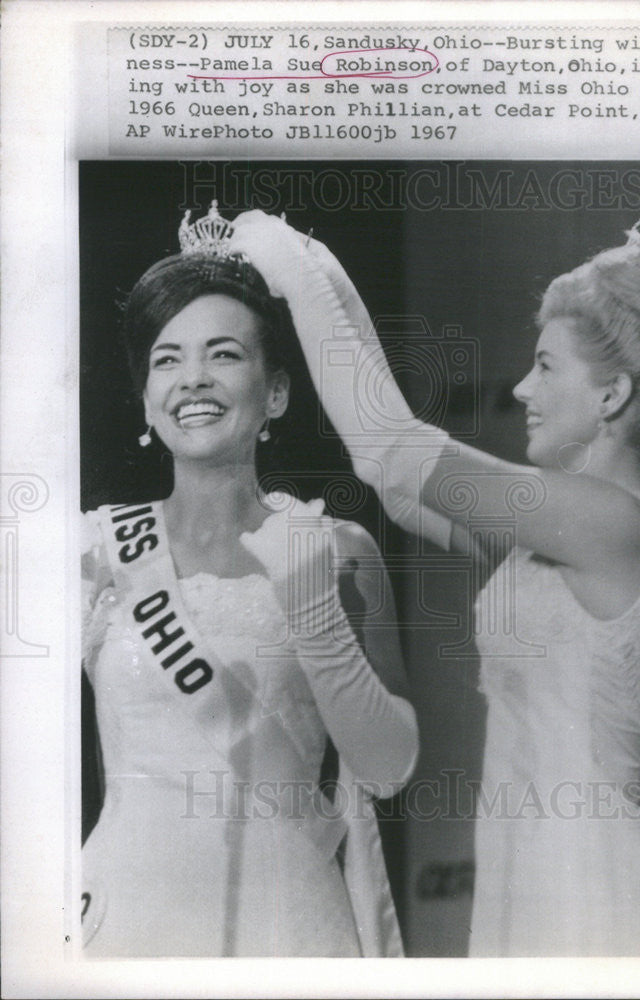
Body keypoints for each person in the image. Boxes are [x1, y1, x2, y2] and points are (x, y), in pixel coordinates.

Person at [229, 212, 640, 956]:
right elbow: (401, 490)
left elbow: (390, 451)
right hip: (535, 865)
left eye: (546, 366)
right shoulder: (573, 530)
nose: (521, 387)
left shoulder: (605, 520)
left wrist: (286, 262)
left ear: (611, 395)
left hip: (583, 886)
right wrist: (322, 270)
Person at [80, 202, 418, 957]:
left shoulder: (338, 549)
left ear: (276, 393)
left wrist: (312, 608)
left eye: (224, 354)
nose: (192, 379)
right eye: (167, 359)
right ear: (144, 398)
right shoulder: (92, 550)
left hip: (289, 917)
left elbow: (390, 769)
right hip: (130, 918)